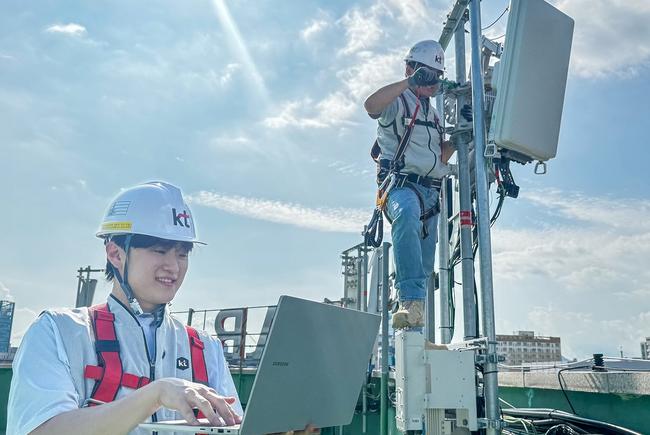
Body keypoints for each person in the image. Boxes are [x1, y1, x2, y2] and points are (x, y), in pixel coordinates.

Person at [7, 181, 316, 435]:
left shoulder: (205, 347)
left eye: (182, 254)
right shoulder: (59, 331)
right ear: (115, 253)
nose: (173, 266)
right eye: (159, 250)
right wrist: (154, 394)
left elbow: (229, 427)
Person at [364, 40, 457, 329]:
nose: (432, 81)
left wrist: (458, 138)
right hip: (402, 187)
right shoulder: (398, 102)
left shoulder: (434, 114)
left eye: (436, 76)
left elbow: (438, 156)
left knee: (424, 266)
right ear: (410, 69)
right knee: (405, 215)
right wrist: (409, 82)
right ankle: (410, 301)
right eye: (426, 74)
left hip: (430, 193)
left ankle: (415, 324)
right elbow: (371, 106)